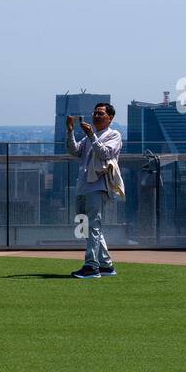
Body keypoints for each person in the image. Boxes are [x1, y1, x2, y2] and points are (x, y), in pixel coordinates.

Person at [65, 102, 123, 278]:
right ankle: (106, 264)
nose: (96, 116)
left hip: (97, 185)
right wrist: (70, 131)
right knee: (84, 225)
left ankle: (91, 266)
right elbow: (74, 151)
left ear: (110, 118)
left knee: (93, 225)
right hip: (83, 184)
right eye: (95, 113)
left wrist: (91, 135)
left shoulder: (114, 135)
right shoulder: (90, 137)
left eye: (101, 113)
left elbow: (106, 153)